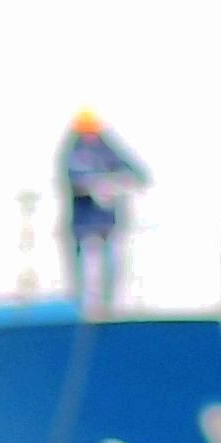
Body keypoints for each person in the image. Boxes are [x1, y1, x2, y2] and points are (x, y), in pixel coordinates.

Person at [57, 110, 147, 313]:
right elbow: (73, 179)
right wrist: (95, 185)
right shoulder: (74, 152)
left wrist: (119, 182)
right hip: (83, 222)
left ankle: (109, 307)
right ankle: (81, 307)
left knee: (111, 264)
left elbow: (137, 173)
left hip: (106, 221)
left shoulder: (107, 150)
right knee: (84, 268)